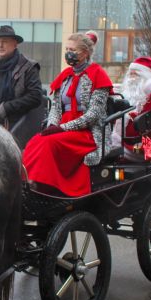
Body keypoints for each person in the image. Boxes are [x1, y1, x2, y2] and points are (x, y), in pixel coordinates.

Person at [22, 31, 113, 196]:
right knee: (35, 141)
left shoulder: (98, 75)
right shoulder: (65, 76)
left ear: (85, 53)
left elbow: (93, 115)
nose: (68, 53)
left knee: (49, 144)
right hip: (63, 127)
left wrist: (62, 128)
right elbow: (56, 107)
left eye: (73, 49)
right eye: (67, 49)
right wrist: (52, 125)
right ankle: (28, 182)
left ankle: (46, 187)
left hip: (87, 132)